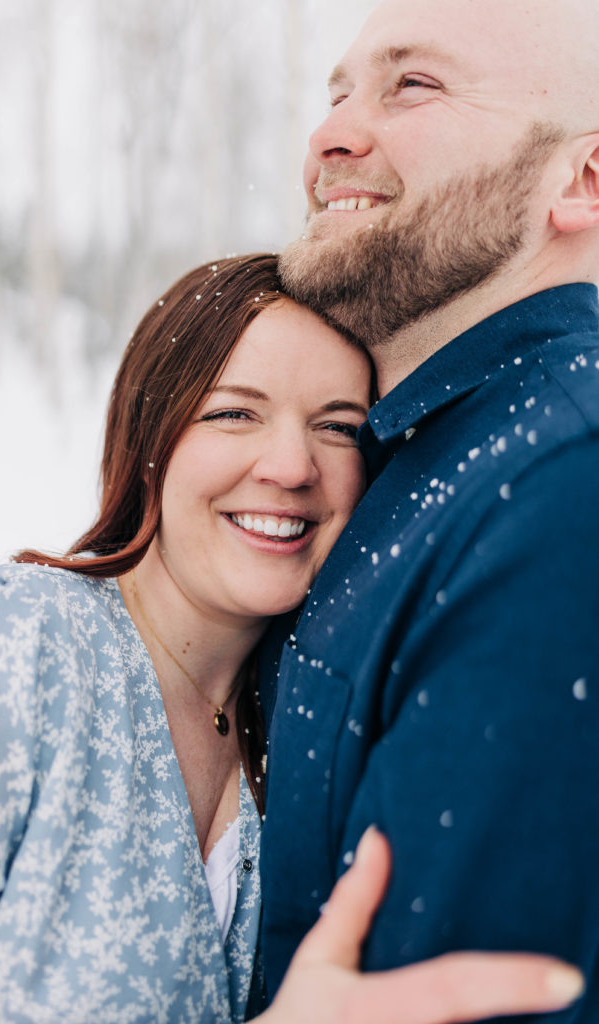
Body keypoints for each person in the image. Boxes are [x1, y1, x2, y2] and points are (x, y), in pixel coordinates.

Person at [0, 253, 580, 1024]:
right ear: (150, 436)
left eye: (338, 427)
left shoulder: (306, 729)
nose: (292, 466)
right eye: (234, 412)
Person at [259, 0, 599, 1020]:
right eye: (335, 92)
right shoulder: (412, 458)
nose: (330, 136)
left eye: (412, 85)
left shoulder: (560, 490)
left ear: (582, 180)